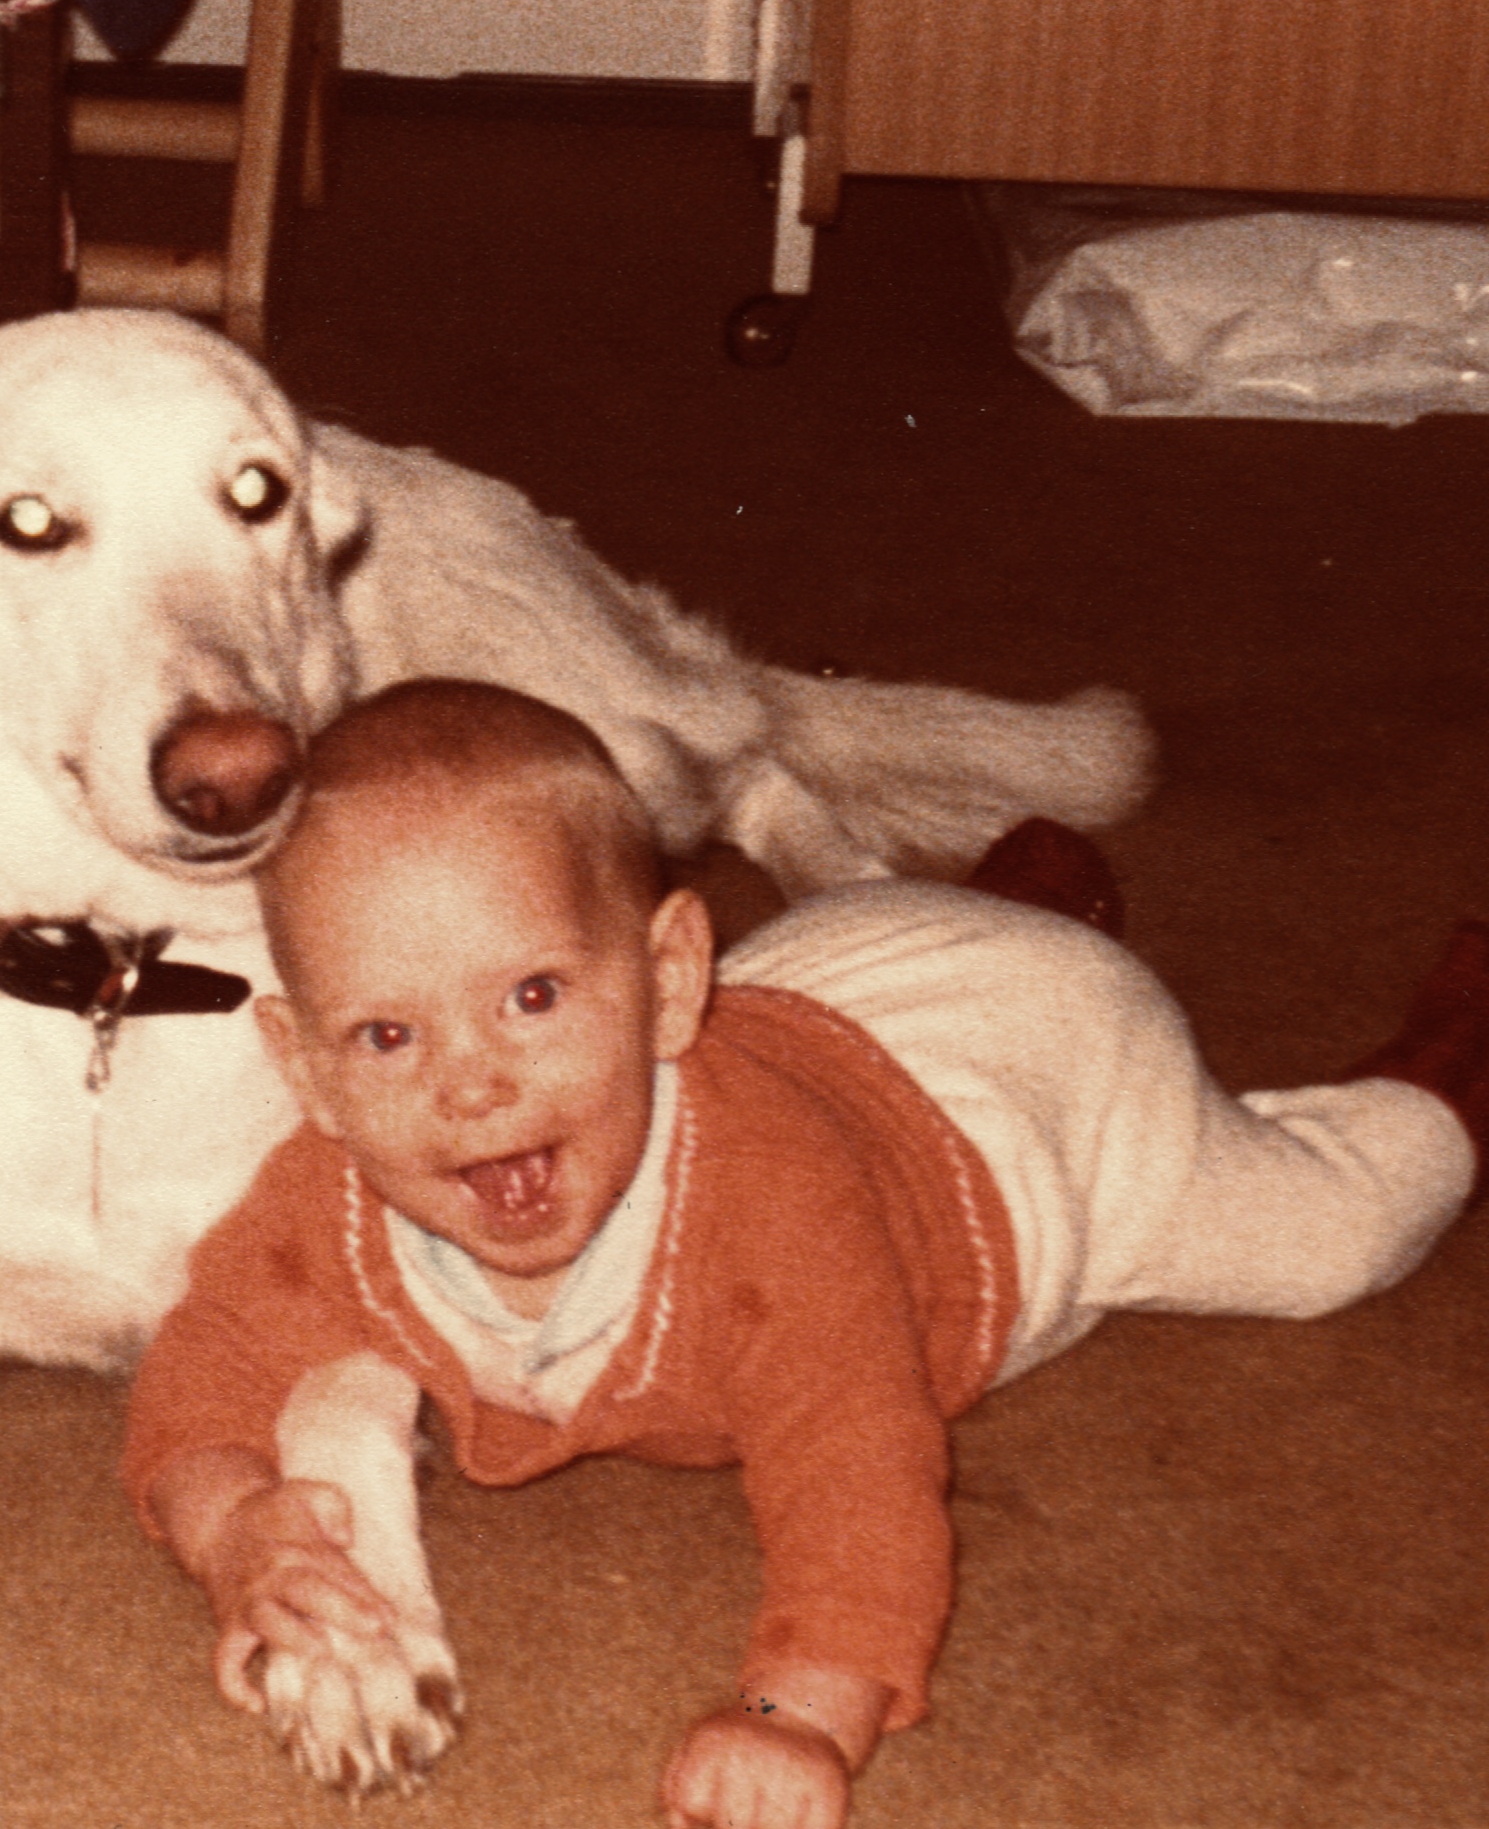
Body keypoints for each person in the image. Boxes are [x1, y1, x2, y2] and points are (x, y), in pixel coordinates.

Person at [120, 679, 1483, 1829]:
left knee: (1328, 1237)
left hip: (1041, 1107)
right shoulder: (324, 1194)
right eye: (388, 1036)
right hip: (835, 973)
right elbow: (201, 1381)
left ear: (665, 981)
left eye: (532, 996)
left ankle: (1444, 1070)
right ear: (302, 1066)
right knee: (861, 977)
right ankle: (1033, 885)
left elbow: (859, 1472)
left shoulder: (774, 1216)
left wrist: (801, 1713)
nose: (470, 1087)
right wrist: (236, 1532)